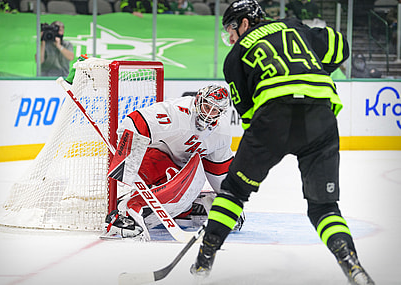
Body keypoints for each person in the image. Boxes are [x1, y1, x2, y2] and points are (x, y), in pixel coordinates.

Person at [190, 1, 375, 285]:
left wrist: (264, 148)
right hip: (320, 116)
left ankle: (204, 259)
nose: (229, 37)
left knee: (234, 193)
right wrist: (313, 67)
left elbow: (249, 116)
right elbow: (341, 46)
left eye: (231, 28)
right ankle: (352, 264)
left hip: (272, 118)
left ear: (244, 23)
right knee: (324, 207)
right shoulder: (296, 27)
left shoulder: (235, 56)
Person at [102, 84, 245, 241]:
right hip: (152, 159)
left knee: (182, 188)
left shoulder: (221, 132)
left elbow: (219, 170)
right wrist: (127, 160)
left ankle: (194, 206)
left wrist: (229, 200)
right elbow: (134, 122)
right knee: (171, 175)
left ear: (222, 113)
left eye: (215, 110)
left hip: (178, 173)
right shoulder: (176, 112)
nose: (209, 113)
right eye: (206, 106)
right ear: (198, 100)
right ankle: (124, 212)